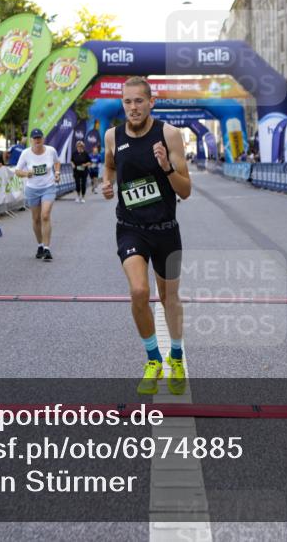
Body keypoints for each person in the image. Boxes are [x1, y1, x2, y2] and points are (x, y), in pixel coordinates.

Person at [102, 76, 192, 396]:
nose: (133, 107)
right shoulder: (112, 135)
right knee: (139, 291)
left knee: (169, 299)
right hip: (130, 228)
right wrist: (107, 183)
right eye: (127, 101)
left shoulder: (169, 134)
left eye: (139, 101)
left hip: (165, 228)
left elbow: (187, 190)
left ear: (151, 102)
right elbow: (110, 166)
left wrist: (167, 166)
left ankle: (177, 356)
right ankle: (153, 359)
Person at [14, 128, 60, 261]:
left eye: (39, 138)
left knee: (45, 215)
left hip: (48, 187)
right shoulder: (26, 153)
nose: (37, 140)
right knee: (35, 219)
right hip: (32, 189)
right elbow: (17, 171)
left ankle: (47, 248)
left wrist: (57, 173)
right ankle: (40, 245)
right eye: (35, 138)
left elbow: (57, 162)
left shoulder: (51, 151)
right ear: (31, 140)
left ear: (43, 139)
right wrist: (26, 173)